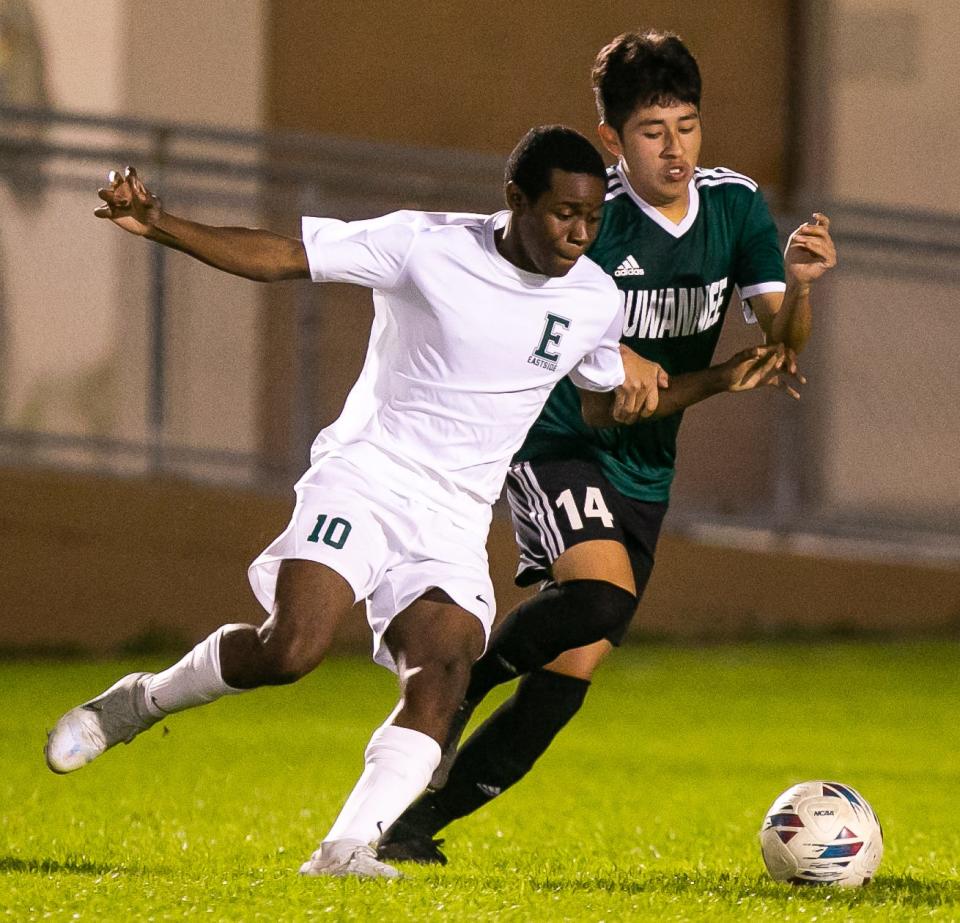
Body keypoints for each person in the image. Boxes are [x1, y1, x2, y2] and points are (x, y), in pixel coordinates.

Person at [43, 126, 665, 880]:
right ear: (514, 201)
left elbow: (605, 400)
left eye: (594, 217)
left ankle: (345, 849)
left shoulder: (595, 296)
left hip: (455, 516)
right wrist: (161, 222)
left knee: (442, 672)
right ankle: (137, 703)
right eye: (565, 213)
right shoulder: (423, 245)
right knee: (291, 650)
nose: (580, 232)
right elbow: (284, 257)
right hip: (367, 476)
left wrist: (706, 379)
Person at [378, 29, 836, 865]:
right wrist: (600, 345)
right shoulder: (597, 217)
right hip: (560, 434)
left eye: (688, 126)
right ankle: (462, 685)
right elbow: (510, 281)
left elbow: (780, 340)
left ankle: (410, 830)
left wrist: (800, 289)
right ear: (612, 141)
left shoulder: (733, 206)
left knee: (569, 676)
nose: (676, 149)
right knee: (601, 598)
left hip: (648, 463)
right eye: (654, 131)